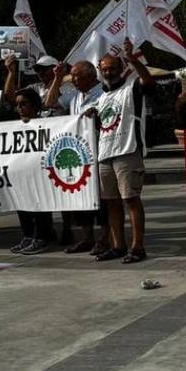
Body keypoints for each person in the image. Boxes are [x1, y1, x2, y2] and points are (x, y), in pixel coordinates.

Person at [90, 40, 155, 263]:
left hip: (128, 151)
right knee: (111, 202)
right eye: (105, 69)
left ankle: (138, 247)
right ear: (100, 71)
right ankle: (118, 245)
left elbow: (149, 82)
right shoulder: (100, 98)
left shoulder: (132, 88)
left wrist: (134, 59)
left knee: (131, 199)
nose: (108, 72)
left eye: (112, 68)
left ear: (120, 69)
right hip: (105, 155)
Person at [45, 60, 108, 253]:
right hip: (79, 155)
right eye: (71, 76)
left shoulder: (103, 92)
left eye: (76, 76)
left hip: (99, 151)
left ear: (90, 77)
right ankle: (87, 237)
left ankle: (105, 238)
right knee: (82, 198)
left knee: (103, 199)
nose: (72, 80)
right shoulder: (74, 96)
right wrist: (57, 77)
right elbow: (49, 102)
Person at [9, 88, 55, 254]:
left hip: (40, 173)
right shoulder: (13, 127)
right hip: (21, 173)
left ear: (34, 105)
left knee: (39, 204)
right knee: (22, 204)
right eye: (17, 105)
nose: (20, 108)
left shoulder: (47, 123)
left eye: (24, 104)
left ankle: (42, 237)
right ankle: (28, 235)